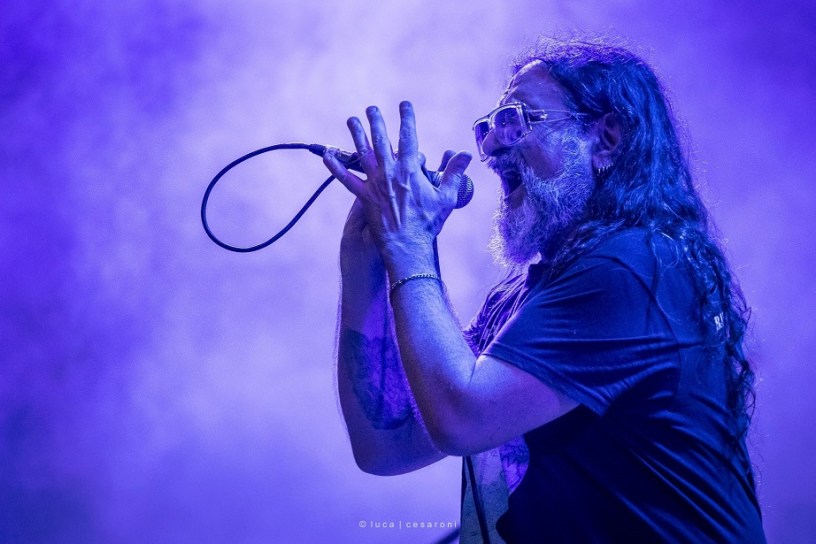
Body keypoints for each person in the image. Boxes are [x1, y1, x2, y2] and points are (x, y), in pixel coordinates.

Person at [322, 36, 766, 543]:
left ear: (606, 139)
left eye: (516, 120)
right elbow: (384, 443)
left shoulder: (633, 269)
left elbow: (462, 418)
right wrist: (363, 263)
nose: (491, 147)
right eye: (489, 128)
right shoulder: (517, 299)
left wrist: (410, 245)